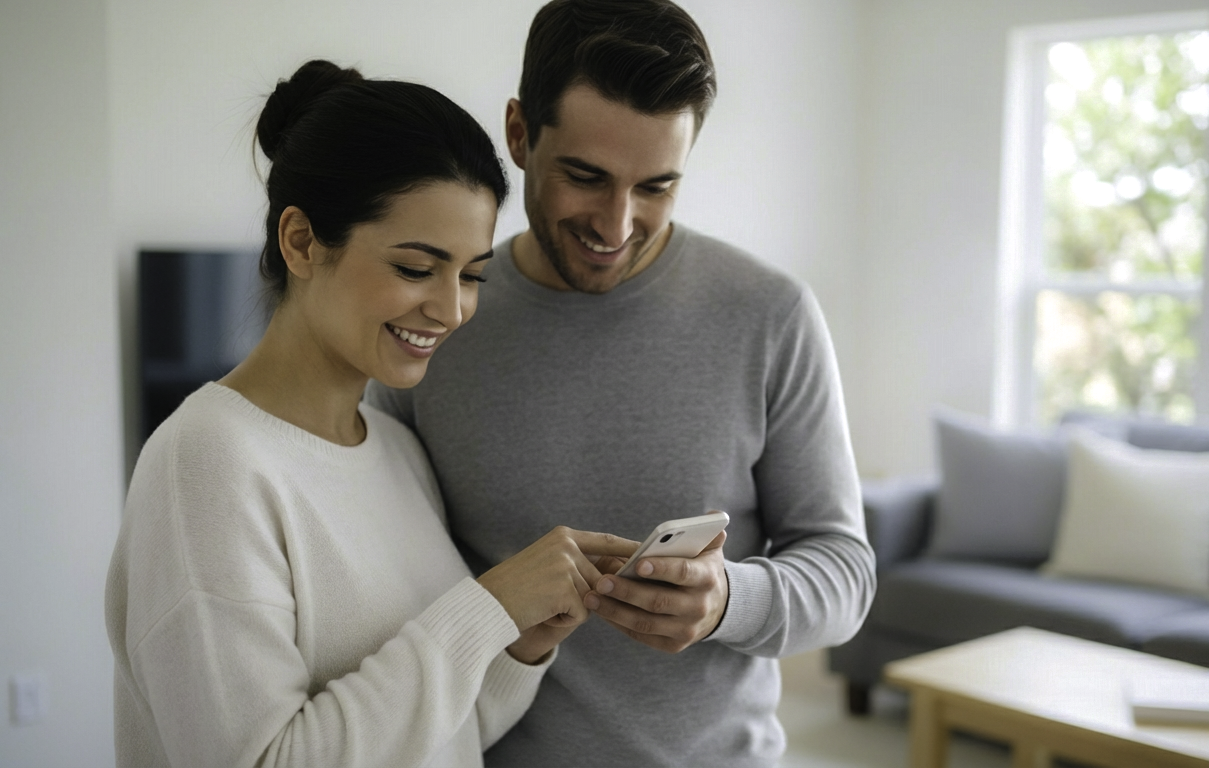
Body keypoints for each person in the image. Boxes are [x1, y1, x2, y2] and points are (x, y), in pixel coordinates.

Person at [365, 1, 877, 765]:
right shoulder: (435, 320)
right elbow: (386, 581)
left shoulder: (771, 315)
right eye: (585, 177)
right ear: (518, 134)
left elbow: (845, 573)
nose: (616, 224)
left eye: (657, 187)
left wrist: (730, 601)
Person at [106, 60, 635, 768]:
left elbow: (445, 734)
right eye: (417, 268)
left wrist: (518, 642)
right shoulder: (206, 463)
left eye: (472, 274)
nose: (451, 309)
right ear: (300, 242)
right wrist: (487, 608)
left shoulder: (396, 450)